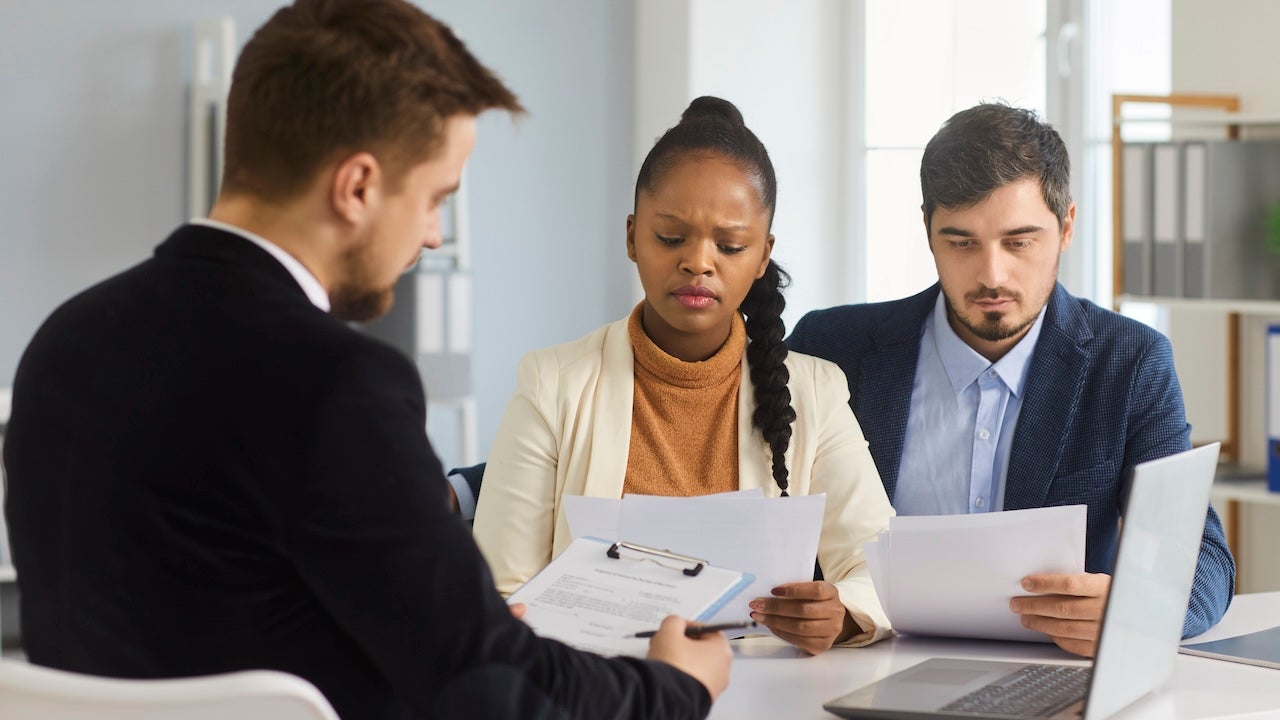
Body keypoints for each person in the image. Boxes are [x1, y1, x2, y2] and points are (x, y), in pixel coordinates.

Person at [2, 2, 732, 718]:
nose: (434, 237)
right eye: (434, 199)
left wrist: (465, 627)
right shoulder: (336, 385)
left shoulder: (63, 342)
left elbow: (215, 613)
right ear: (356, 187)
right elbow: (493, 694)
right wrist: (672, 687)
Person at [786, 102, 1235, 658]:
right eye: (962, 242)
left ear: (1066, 227)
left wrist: (1137, 610)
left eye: (1019, 242)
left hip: (1045, 676)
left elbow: (1201, 557)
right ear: (927, 231)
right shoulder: (831, 350)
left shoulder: (1131, 361)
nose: (992, 275)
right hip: (851, 669)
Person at [472, 96, 895, 656]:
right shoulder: (553, 383)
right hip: (599, 693)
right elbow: (501, 595)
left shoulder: (815, 392)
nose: (699, 262)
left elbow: (882, 572)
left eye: (731, 245)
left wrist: (842, 614)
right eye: (671, 238)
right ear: (631, 237)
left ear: (764, 255)